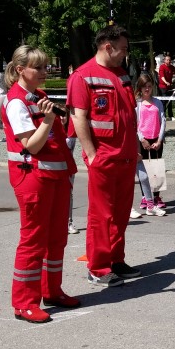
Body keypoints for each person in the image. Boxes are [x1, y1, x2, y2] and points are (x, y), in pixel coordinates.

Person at [1, 45, 79, 323]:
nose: (45, 71)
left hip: (55, 177)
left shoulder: (39, 96)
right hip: (33, 179)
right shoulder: (16, 102)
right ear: (20, 70)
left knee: (57, 238)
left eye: (46, 66)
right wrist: (48, 119)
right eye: (39, 67)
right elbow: (32, 146)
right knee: (33, 241)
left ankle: (52, 291)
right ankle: (24, 303)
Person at [67, 24, 142, 287]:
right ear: (108, 47)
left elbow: (129, 115)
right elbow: (78, 118)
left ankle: (116, 260)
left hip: (126, 155)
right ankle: (98, 267)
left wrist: (135, 147)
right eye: (123, 49)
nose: (125, 54)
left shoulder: (121, 74)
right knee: (102, 216)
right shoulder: (82, 76)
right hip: (104, 157)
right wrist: (91, 154)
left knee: (120, 213)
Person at [134, 74, 167, 216]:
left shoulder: (157, 102)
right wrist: (142, 139)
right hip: (143, 140)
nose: (147, 89)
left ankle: (156, 196)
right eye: (144, 87)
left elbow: (163, 121)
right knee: (144, 171)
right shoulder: (137, 104)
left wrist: (159, 140)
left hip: (156, 139)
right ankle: (145, 197)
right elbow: (135, 123)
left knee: (157, 169)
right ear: (140, 88)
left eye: (149, 86)